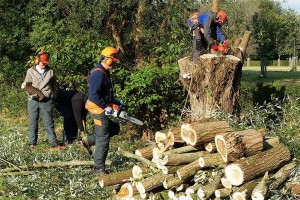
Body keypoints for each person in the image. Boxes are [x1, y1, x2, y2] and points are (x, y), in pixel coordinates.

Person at [83, 46, 123, 174]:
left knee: (114, 129)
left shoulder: (105, 72)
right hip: (97, 109)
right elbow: (94, 95)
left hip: (102, 105)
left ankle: (88, 140)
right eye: (113, 59)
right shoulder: (98, 74)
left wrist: (115, 103)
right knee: (103, 138)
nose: (115, 62)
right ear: (108, 59)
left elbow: (104, 93)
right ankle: (98, 168)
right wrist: (106, 106)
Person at [22, 51, 61, 148]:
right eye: (42, 62)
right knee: (33, 122)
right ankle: (32, 143)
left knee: (49, 122)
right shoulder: (30, 71)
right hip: (33, 100)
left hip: (46, 100)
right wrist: (32, 93)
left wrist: (54, 96)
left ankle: (53, 144)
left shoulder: (51, 71)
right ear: (37, 61)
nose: (44, 64)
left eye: (45, 63)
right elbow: (26, 86)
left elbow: (54, 85)